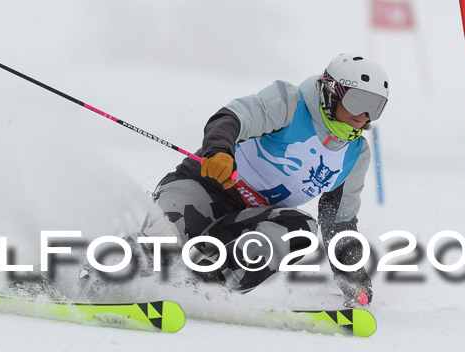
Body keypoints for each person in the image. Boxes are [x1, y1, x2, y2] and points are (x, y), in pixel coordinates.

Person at [139, 53, 389, 307]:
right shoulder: (291, 103)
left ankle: (204, 290)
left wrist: (354, 278)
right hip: (202, 189)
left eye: (376, 106)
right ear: (331, 91)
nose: (364, 114)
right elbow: (232, 118)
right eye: (358, 100)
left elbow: (340, 223)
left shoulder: (356, 155)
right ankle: (105, 276)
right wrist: (219, 151)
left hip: (248, 218)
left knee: (302, 229)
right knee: (162, 245)